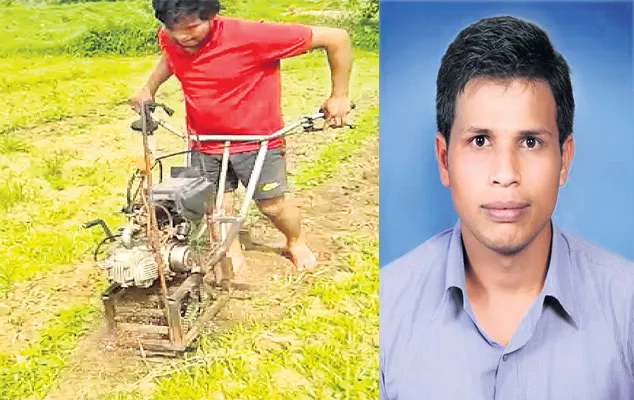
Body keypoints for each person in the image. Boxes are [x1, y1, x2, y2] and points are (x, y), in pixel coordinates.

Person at [379, 15, 634, 399]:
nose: (505, 174)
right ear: (444, 159)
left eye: (530, 142)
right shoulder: (385, 307)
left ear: (564, 160)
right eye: (480, 141)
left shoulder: (626, 306)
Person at [129, 0, 353, 272]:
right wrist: (148, 89)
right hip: (203, 142)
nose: (182, 37)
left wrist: (339, 96)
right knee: (213, 206)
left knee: (273, 207)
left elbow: (336, 38)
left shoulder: (252, 36)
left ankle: (295, 241)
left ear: (212, 15)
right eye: (173, 29)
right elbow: (171, 57)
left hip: (257, 142)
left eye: (192, 28)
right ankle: (229, 257)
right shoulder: (172, 37)